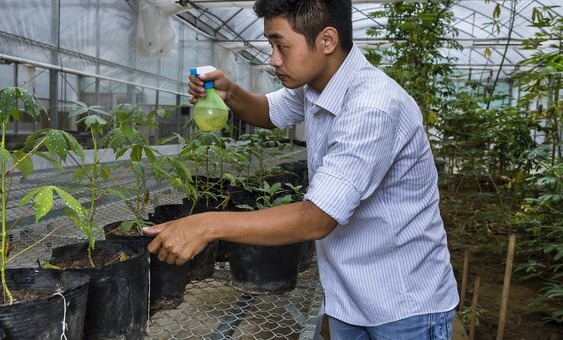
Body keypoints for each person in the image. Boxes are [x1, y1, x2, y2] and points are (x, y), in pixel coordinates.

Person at [143, 0, 459, 338]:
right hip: (350, 296)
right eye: (271, 45)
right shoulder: (316, 84)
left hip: (402, 306)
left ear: (327, 40)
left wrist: (206, 225)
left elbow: (317, 217)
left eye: (281, 45)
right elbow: (267, 112)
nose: (273, 59)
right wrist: (230, 92)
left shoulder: (372, 107)